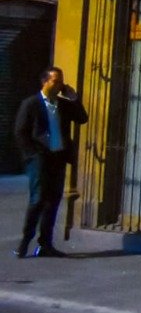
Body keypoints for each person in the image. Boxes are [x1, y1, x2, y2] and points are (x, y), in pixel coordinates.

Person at [13, 67, 88, 258]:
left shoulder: (63, 104)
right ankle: (25, 241)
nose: (59, 85)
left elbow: (82, 118)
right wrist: (31, 155)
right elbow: (20, 132)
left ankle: (45, 244)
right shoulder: (30, 104)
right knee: (38, 199)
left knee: (53, 201)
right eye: (55, 81)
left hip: (58, 158)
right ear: (45, 82)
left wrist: (74, 98)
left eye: (61, 81)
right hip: (39, 159)